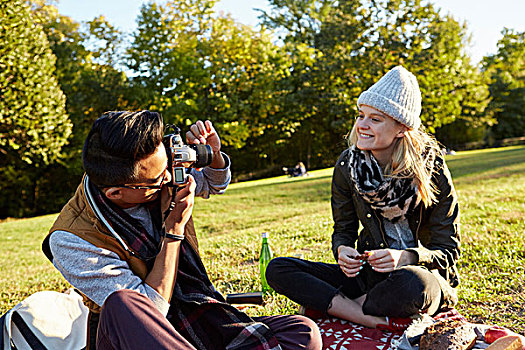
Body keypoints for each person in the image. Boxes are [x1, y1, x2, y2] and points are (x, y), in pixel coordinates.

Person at [42, 111, 321, 350]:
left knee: (302, 331)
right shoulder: (70, 240)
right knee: (123, 304)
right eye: (158, 178)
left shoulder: (151, 175)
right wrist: (173, 232)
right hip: (139, 339)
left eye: (169, 166)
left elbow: (212, 184)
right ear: (116, 193)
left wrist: (214, 156)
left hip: (193, 323)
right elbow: (153, 312)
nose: (169, 179)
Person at [266, 66, 460, 332]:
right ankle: (365, 316)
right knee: (279, 269)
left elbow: (448, 251)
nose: (361, 126)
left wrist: (405, 257)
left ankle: (338, 307)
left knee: (412, 284)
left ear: (401, 128)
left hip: (421, 279)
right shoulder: (347, 165)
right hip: (368, 280)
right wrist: (342, 250)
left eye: (375, 119)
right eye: (360, 115)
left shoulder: (432, 166)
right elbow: (343, 229)